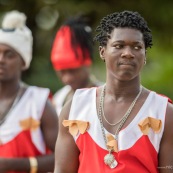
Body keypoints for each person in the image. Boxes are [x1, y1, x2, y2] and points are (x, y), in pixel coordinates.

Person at [54, 10, 173, 173]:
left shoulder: (164, 113)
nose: (128, 53)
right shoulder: (74, 107)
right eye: (119, 46)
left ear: (145, 55)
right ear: (103, 51)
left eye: (137, 47)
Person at [0, 10, 58, 173]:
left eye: (9, 55)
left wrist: (11, 165)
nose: (1, 60)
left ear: (23, 61)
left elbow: (64, 156)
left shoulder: (39, 102)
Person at [51, 15, 101, 115]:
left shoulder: (105, 96)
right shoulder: (59, 98)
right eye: (61, 71)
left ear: (87, 63)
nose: (67, 79)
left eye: (73, 70)